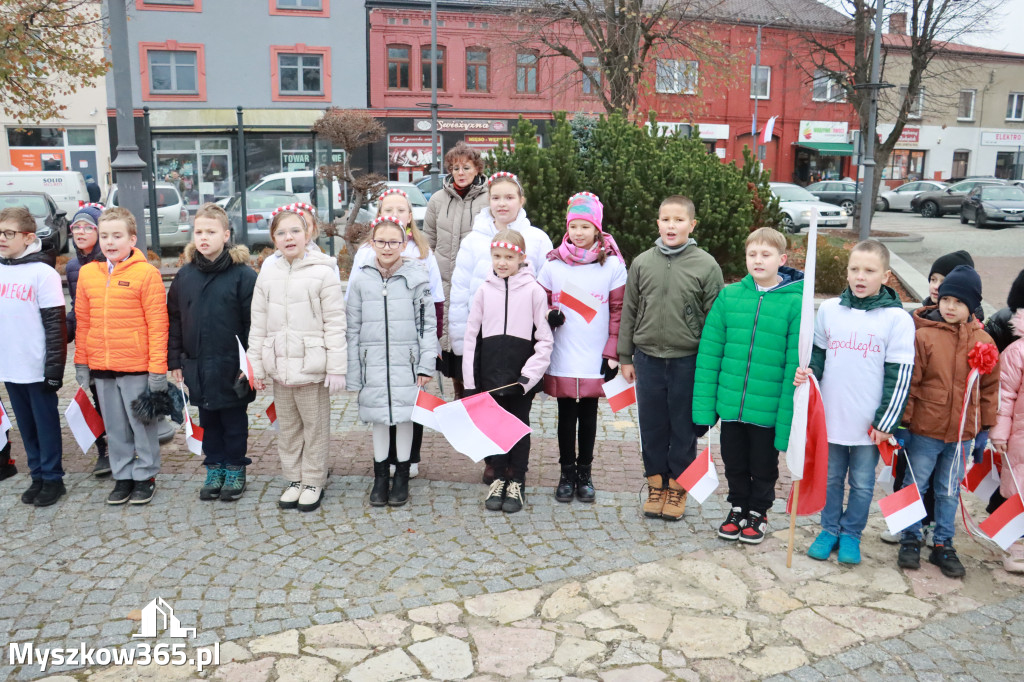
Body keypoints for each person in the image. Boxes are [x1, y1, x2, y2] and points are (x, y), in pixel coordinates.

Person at [799, 240, 915, 564]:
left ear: (886, 276)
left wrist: (884, 422)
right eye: (854, 269)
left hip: (869, 425)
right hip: (832, 418)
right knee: (832, 477)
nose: (860, 277)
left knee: (862, 484)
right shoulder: (831, 310)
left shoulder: (896, 320)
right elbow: (818, 355)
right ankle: (830, 528)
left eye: (869, 270)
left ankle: (852, 533)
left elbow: (900, 375)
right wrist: (809, 374)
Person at [693, 227, 803, 544]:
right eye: (752, 254)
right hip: (732, 406)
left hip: (766, 410)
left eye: (765, 255)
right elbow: (710, 353)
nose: (758, 260)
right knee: (735, 462)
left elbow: (793, 362)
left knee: (763, 465)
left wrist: (786, 416)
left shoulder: (794, 303)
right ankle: (738, 506)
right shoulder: (729, 297)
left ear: (781, 259)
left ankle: (758, 510)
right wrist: (704, 408)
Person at [618, 195, 723, 521]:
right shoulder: (642, 263)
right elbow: (629, 311)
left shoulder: (706, 265)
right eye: (666, 219)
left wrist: (710, 367)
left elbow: (716, 322)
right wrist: (625, 355)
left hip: (686, 362)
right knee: (652, 429)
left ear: (692, 225)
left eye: (679, 220)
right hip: (647, 359)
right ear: (658, 223)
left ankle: (678, 489)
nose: (671, 225)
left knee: (683, 431)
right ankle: (655, 485)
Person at [896, 265, 999, 578]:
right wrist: (903, 425)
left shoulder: (984, 341)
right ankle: (910, 537)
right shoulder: (924, 336)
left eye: (959, 302)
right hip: (924, 430)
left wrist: (984, 429)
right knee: (915, 483)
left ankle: (943, 542)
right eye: (946, 299)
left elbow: (989, 388)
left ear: (971, 306)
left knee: (948, 490)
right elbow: (911, 383)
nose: (950, 306)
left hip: (961, 435)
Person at [450, 172, 553, 483]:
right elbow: (460, 292)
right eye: (496, 197)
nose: (502, 203)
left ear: (521, 200)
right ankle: (493, 464)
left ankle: (515, 471)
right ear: (488, 201)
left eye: (509, 197)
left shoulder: (536, 238)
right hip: (486, 344)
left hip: (521, 350)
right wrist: (458, 347)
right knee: (488, 413)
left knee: (517, 417)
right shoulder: (473, 240)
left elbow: (547, 289)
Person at [248, 208, 346, 512]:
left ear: (307, 234)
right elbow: (259, 322)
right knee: (288, 427)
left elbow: (335, 322)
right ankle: (294, 478)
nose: (288, 237)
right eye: (281, 233)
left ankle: (314, 478)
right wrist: (257, 366)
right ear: (273, 239)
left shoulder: (323, 272)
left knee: (314, 426)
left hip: (311, 364)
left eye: (294, 231)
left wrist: (336, 367)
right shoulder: (268, 273)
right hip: (280, 365)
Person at [74, 206, 169, 505]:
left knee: (142, 425)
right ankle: (123, 474)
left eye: (117, 236)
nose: (110, 242)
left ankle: (146, 475)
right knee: (114, 427)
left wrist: (157, 371)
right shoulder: (89, 274)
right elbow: (83, 321)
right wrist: (81, 361)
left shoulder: (146, 274)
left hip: (136, 367)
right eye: (104, 236)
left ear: (132, 239)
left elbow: (157, 325)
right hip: (102, 366)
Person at [348, 188, 444, 480]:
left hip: (410, 345)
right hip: (377, 344)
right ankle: (385, 461)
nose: (394, 214)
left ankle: (409, 459)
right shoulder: (366, 253)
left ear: (409, 215)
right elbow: (354, 302)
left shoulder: (422, 251)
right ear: (378, 215)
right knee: (382, 402)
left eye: (401, 210)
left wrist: (430, 352)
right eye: (388, 209)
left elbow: (433, 303)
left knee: (410, 404)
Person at [537, 192, 626, 503]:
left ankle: (585, 473)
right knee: (564, 415)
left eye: (585, 227)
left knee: (588, 414)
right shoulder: (552, 263)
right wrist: (550, 314)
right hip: (563, 352)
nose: (578, 232)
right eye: (573, 226)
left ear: (597, 229)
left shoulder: (612, 264)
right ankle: (566, 473)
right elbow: (539, 303)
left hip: (594, 353)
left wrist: (612, 351)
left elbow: (618, 309)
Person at [167, 203, 257, 502]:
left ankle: (235, 467)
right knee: (208, 420)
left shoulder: (242, 276)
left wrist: (250, 363)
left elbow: (252, 323)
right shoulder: (185, 276)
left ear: (226, 235)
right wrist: (175, 359)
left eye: (211, 232)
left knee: (233, 421)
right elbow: (176, 319)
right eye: (199, 232)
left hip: (232, 366)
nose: (203, 237)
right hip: (197, 364)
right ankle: (214, 465)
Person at [463, 229, 553, 513]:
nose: (502, 262)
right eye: (497, 256)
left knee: (517, 428)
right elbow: (470, 338)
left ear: (521, 258)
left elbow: (545, 340)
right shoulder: (483, 291)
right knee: (493, 428)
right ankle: (499, 477)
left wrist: (527, 378)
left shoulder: (534, 292)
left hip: (518, 380)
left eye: (509, 257)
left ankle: (517, 480)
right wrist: (469, 381)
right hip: (488, 377)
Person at [0, 206, 67, 506]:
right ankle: (37, 474)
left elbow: (55, 325)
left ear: (28, 238)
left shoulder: (43, 273)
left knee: (45, 424)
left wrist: (54, 368)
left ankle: (53, 478)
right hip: (10, 366)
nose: (2, 238)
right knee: (25, 425)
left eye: (8, 233)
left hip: (37, 366)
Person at [422, 142, 489, 388]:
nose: (460, 173)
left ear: (477, 169)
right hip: (444, 279)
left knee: (475, 338)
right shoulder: (438, 199)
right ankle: (459, 395)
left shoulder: (489, 199)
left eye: (466, 167)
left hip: (475, 280)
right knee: (450, 340)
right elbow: (428, 238)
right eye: (455, 167)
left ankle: (478, 396)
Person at [65, 203, 110, 477]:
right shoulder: (73, 267)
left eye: (87, 227)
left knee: (113, 399)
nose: (80, 232)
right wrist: (63, 332)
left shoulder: (109, 261)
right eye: (76, 227)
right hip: (88, 345)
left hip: (111, 342)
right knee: (94, 396)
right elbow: (77, 309)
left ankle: (124, 446)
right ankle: (103, 449)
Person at [991, 308, 1024, 573]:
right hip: (1020, 440)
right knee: (1019, 494)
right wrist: (1000, 433)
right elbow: (1005, 396)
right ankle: (1017, 547)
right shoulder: (1016, 352)